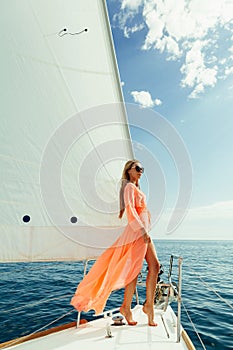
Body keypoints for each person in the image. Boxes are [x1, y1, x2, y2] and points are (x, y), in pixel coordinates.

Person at [70, 159, 160, 326]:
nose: (141, 171)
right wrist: (142, 231)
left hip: (142, 231)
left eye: (142, 168)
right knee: (138, 269)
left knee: (154, 266)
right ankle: (131, 307)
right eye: (138, 168)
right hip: (138, 232)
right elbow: (131, 211)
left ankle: (145, 305)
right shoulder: (128, 186)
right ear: (129, 170)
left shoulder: (135, 187)